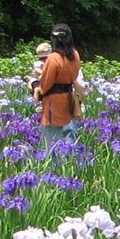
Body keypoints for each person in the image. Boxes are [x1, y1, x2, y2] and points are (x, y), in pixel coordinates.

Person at [38, 23, 82, 155]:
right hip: (70, 98)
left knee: (53, 140)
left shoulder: (53, 58)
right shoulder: (75, 55)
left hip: (54, 102)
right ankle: (71, 167)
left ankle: (56, 171)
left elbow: (45, 86)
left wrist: (35, 86)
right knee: (69, 136)